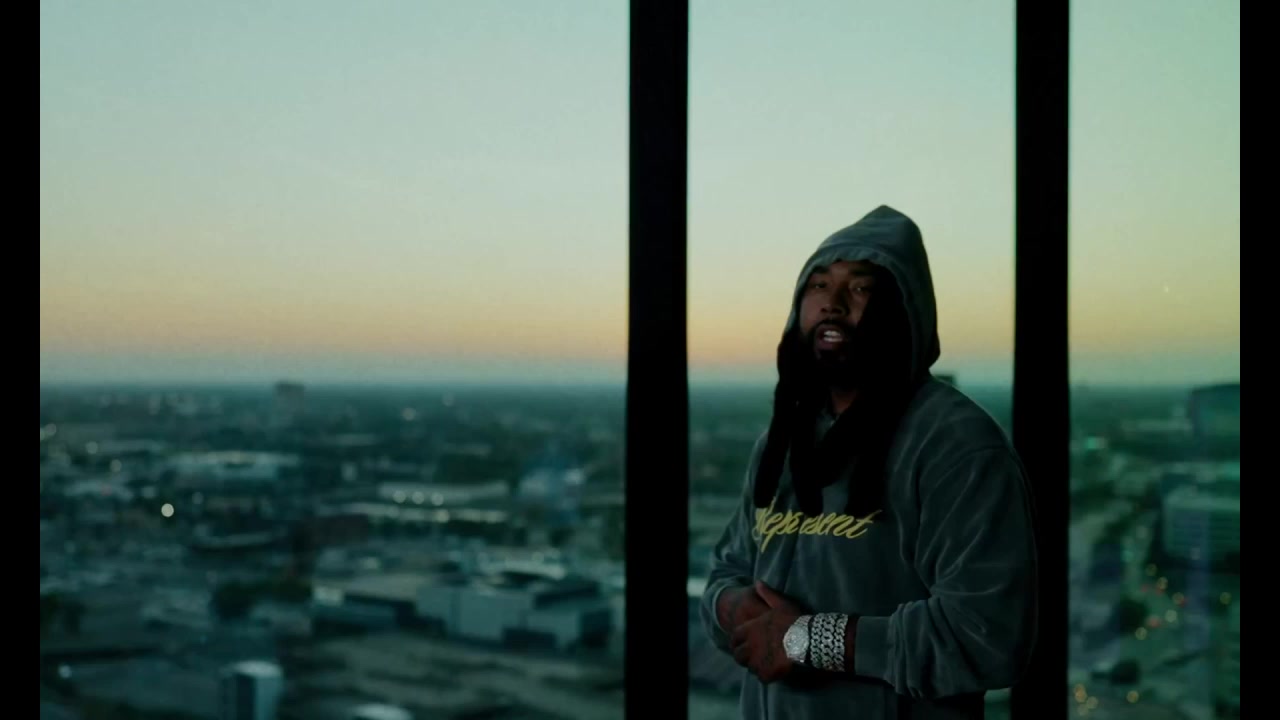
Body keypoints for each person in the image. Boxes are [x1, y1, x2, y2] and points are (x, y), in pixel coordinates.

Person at [700, 205, 1038, 719]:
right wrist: (731, 607)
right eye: (818, 286)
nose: (831, 303)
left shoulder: (956, 445)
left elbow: (988, 635)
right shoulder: (781, 444)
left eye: (859, 288)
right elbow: (726, 573)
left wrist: (805, 640)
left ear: (904, 313)